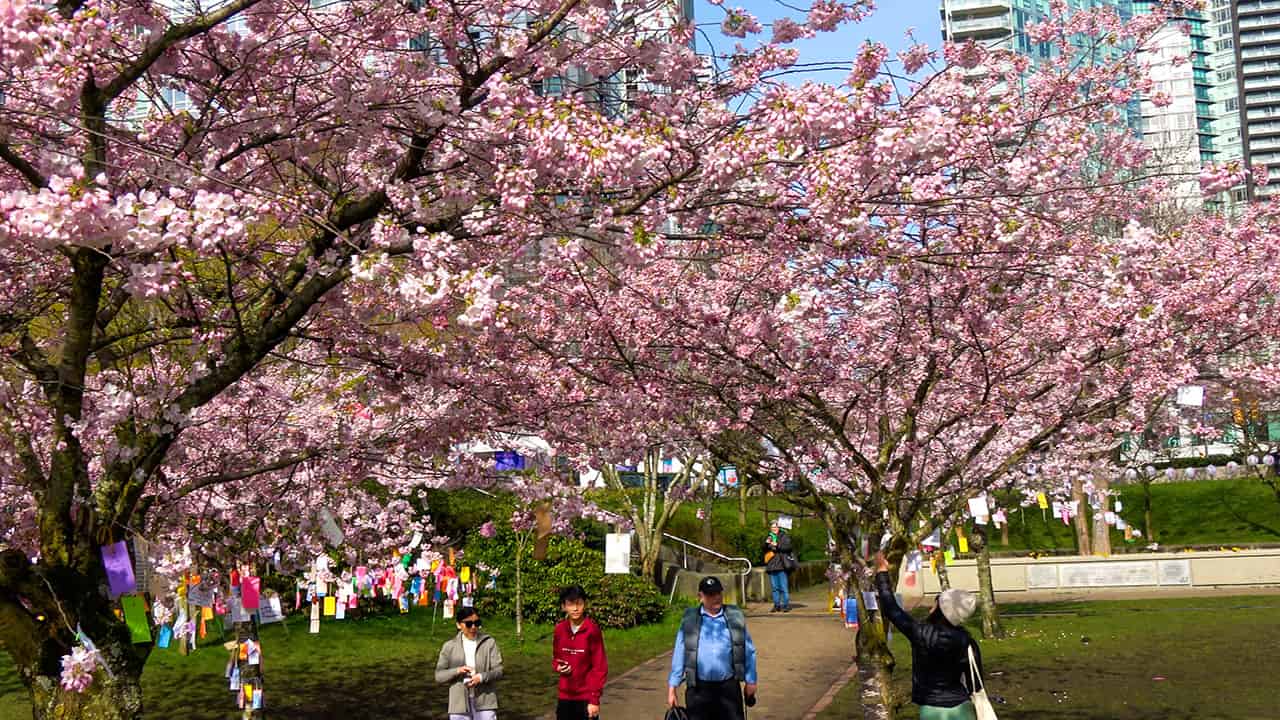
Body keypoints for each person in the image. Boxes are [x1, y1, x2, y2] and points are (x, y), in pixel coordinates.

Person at [874, 552, 982, 720]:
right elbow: (975, 682)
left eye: (934, 606)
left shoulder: (920, 633)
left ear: (941, 611)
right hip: (962, 708)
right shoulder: (967, 642)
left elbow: (891, 609)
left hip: (932, 708)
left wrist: (882, 573)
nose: (930, 609)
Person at [667, 577, 758, 720]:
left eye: (718, 593)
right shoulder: (690, 619)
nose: (716, 598)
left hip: (728, 688)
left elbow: (748, 650)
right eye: (710, 594)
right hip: (698, 690)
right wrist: (672, 687)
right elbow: (680, 652)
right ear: (700, 597)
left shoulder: (735, 617)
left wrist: (751, 681)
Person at [435, 606, 504, 720]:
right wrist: (457, 671)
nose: (473, 627)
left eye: (477, 623)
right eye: (468, 624)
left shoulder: (489, 643)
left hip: (485, 702)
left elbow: (499, 671)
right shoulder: (449, 646)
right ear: (458, 625)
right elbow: (439, 675)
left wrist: (481, 677)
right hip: (459, 704)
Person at [553, 585, 608, 720]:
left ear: (585, 604)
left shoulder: (592, 631)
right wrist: (558, 666)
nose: (575, 609)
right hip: (565, 696)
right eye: (571, 604)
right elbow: (556, 658)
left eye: (579, 604)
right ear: (563, 606)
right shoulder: (560, 630)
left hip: (586, 697)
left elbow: (600, 667)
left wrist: (594, 699)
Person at [763, 520, 793, 612]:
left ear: (778, 527)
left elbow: (788, 547)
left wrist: (777, 545)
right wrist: (766, 544)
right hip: (771, 565)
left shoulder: (784, 536)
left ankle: (786, 605)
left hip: (781, 565)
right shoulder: (769, 536)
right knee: (775, 588)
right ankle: (776, 605)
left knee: (783, 587)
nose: (774, 529)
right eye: (772, 527)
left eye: (775, 527)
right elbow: (763, 549)